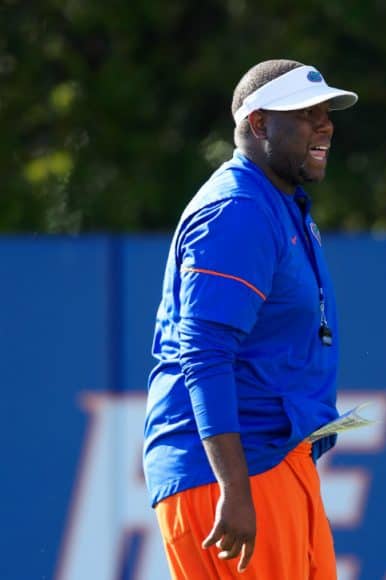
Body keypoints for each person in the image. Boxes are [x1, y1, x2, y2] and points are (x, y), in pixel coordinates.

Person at [142, 58, 358, 579]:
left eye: (326, 113)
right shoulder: (237, 209)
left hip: (273, 459)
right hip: (237, 473)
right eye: (306, 114)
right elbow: (205, 354)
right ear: (259, 123)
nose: (324, 125)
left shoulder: (277, 202)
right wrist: (234, 490)